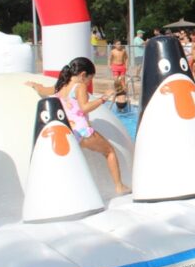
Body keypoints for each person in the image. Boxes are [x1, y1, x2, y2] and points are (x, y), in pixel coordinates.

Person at [26, 57, 129, 195]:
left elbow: (43, 90)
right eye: (90, 78)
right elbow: (84, 108)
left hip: (69, 131)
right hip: (82, 132)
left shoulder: (60, 85)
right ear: (82, 75)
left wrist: (34, 85)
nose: (89, 82)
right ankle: (119, 186)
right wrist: (103, 98)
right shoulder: (80, 86)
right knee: (109, 151)